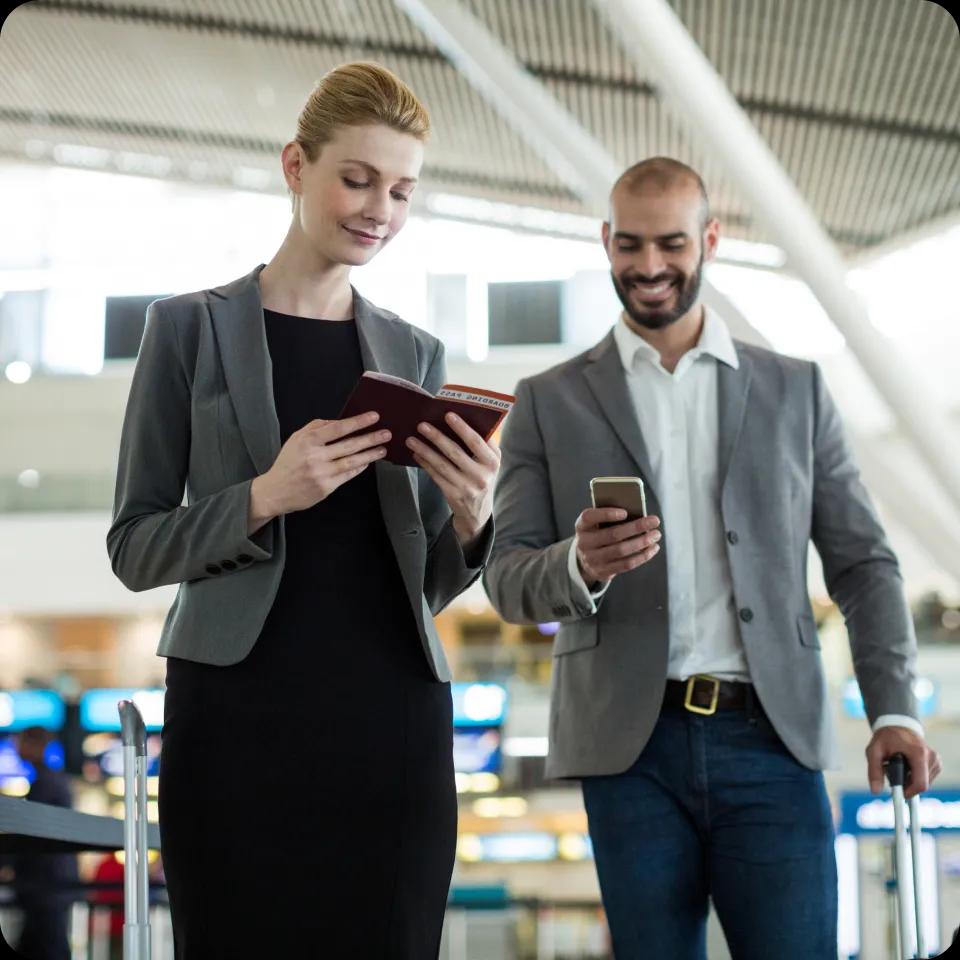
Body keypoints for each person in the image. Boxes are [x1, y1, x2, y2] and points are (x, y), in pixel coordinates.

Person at [483, 157, 942, 959]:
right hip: (630, 753)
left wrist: (893, 709)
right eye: (629, 245)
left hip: (772, 740)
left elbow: (864, 564)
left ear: (711, 240)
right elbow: (509, 579)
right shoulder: (548, 402)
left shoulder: (796, 390)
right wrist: (581, 565)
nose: (649, 267)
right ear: (605, 241)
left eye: (670, 244)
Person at [107, 61, 500, 959]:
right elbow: (134, 547)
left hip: (391, 715)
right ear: (295, 165)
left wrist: (475, 516)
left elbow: (429, 579)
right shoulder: (188, 329)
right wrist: (263, 497)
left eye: (402, 190)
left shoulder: (416, 351)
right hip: (238, 714)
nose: (380, 210)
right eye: (357, 179)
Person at [12, 726, 78, 960]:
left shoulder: (46, 784)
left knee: (48, 946)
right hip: (51, 885)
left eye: (20, 742)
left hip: (45, 886)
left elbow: (32, 837)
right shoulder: (52, 781)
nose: (16, 748)